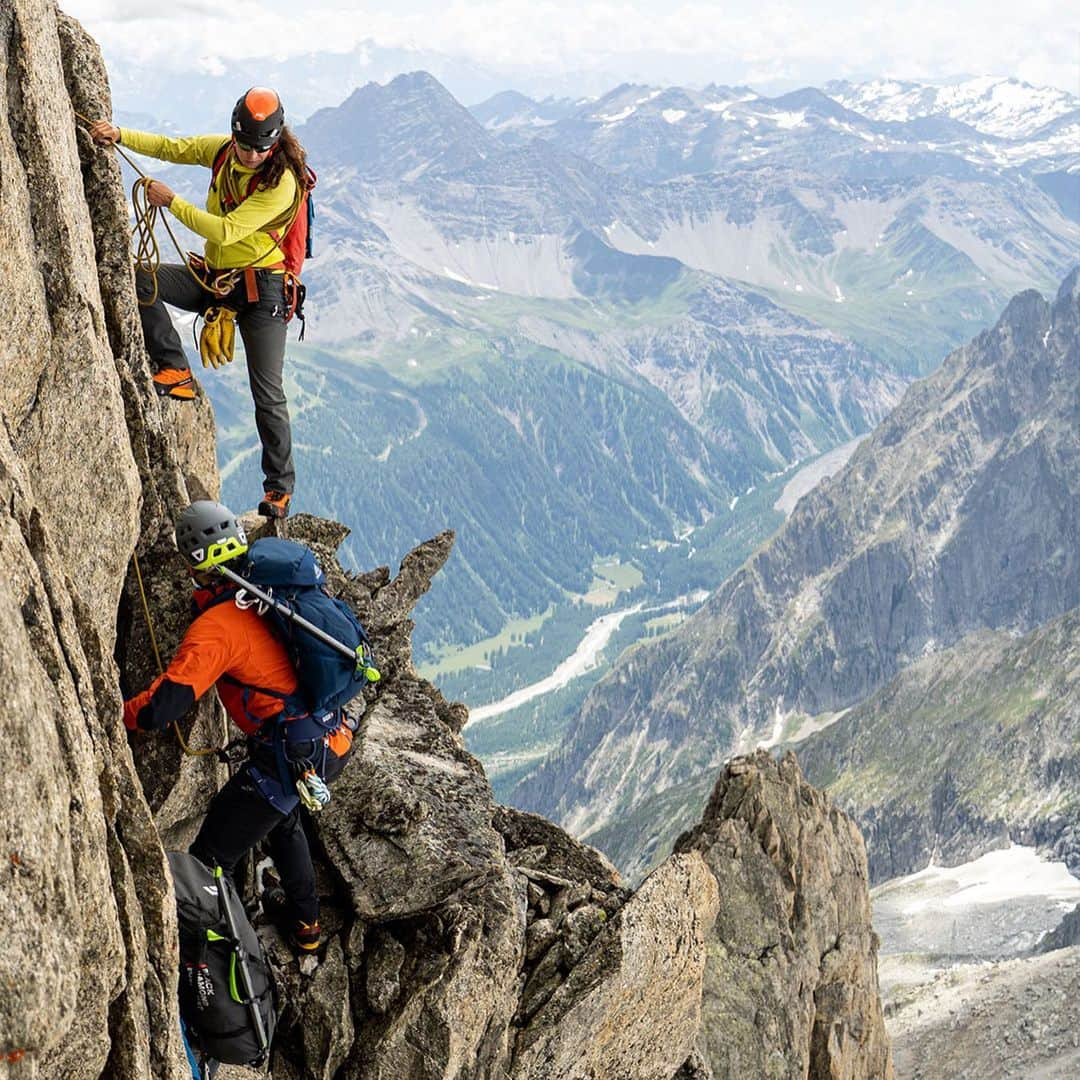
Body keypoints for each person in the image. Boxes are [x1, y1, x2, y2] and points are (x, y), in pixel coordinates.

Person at [124, 501, 355, 952]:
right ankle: (306, 927)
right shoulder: (265, 592)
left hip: (286, 757)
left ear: (195, 562)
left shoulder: (218, 627)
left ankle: (228, 959)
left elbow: (162, 707)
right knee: (282, 819)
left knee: (210, 860)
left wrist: (116, 714)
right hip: (326, 739)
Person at [90, 89, 305, 519]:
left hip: (264, 294)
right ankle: (176, 370)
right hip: (218, 280)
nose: (250, 155)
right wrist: (120, 135)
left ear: (275, 140)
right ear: (235, 133)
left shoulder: (283, 183)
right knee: (139, 277)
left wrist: (172, 202)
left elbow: (226, 231)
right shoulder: (225, 152)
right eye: (244, 144)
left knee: (267, 392)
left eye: (260, 148)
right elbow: (176, 147)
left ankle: (278, 488)